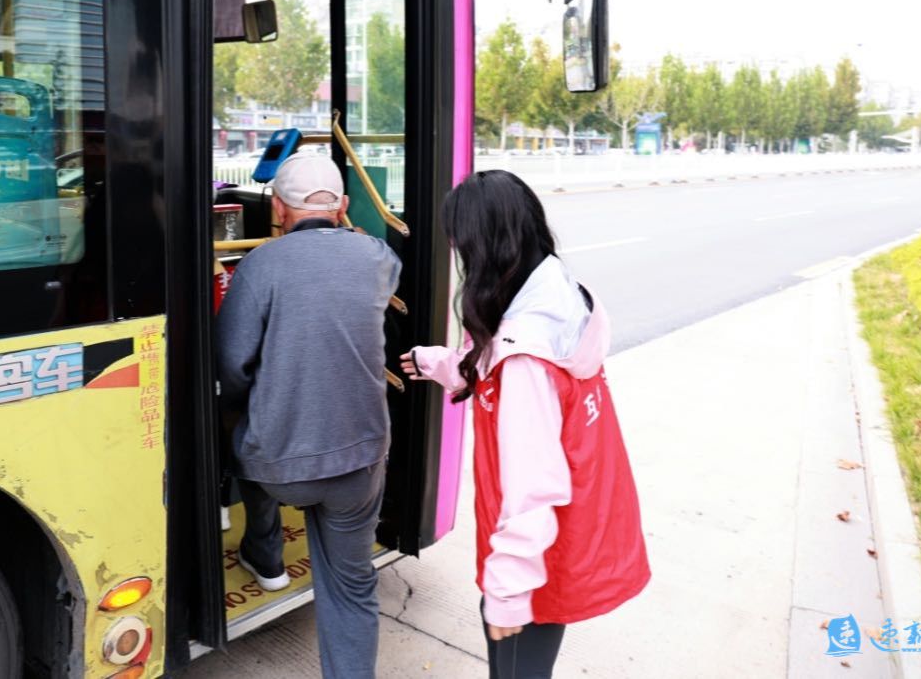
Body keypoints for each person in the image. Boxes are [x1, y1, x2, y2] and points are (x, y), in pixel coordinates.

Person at [400, 170, 649, 679]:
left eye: (460, 243)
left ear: (485, 246)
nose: (457, 254)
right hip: (560, 532)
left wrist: (508, 593)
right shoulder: (554, 288)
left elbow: (532, 483)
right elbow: (500, 366)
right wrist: (440, 363)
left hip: (535, 553)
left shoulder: (525, 359)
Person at [217, 150, 401, 679]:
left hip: (280, 469)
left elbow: (232, 367)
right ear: (343, 206)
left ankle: (265, 551)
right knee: (351, 585)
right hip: (360, 462)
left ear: (278, 208)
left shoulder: (260, 266)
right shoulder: (378, 257)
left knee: (242, 432)